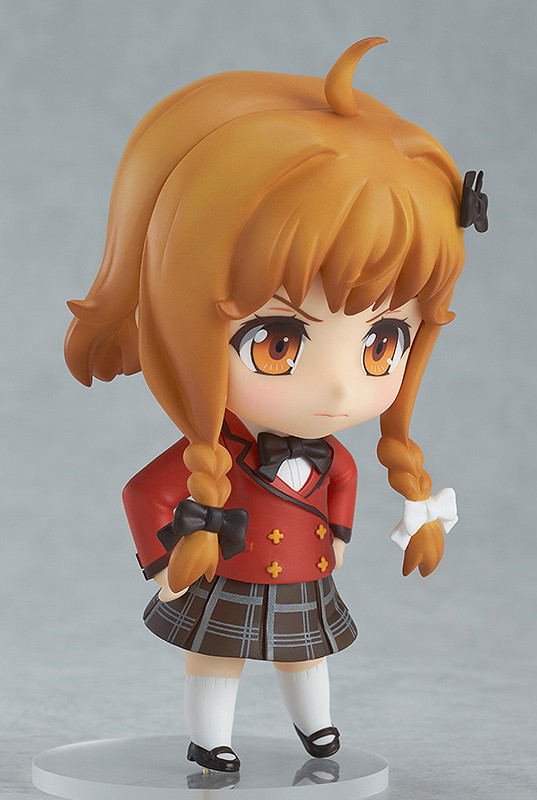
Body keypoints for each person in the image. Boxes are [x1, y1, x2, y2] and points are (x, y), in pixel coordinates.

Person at [64, 37, 487, 773]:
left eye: (382, 343)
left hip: (302, 573)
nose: (339, 388)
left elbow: (343, 479)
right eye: (278, 343)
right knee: (215, 659)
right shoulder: (212, 456)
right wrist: (165, 560)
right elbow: (143, 493)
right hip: (228, 573)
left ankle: (317, 729)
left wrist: (341, 537)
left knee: (306, 655)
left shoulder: (329, 451)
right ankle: (211, 739)